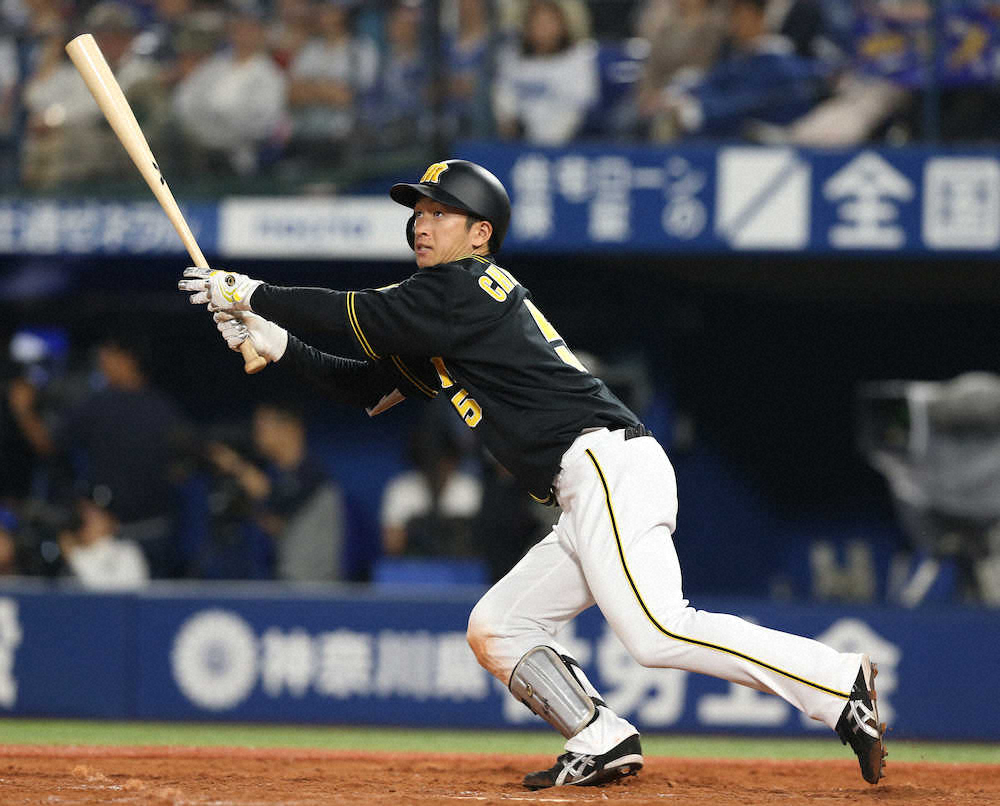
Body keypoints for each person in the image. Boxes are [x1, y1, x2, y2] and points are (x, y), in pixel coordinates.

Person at [178, 158, 887, 789]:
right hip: (586, 485)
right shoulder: (443, 311)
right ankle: (599, 737)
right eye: (418, 212)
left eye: (440, 213)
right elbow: (367, 388)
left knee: (657, 632)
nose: (422, 223)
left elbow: (354, 311)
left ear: (480, 234)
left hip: (604, 464)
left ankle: (837, 681)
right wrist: (275, 341)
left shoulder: (461, 288)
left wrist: (250, 292)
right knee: (499, 628)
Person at [208, 402, 346, 582]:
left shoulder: (311, 473)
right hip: (285, 582)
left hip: (314, 586)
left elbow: (277, 499)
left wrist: (236, 466)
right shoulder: (276, 474)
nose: (257, 435)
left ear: (290, 428)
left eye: (263, 427)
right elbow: (273, 522)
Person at [492, 0, 598, 145]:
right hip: (517, 142)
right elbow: (504, 99)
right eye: (537, 23)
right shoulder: (511, 59)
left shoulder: (579, 58)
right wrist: (510, 123)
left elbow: (579, 107)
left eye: (549, 22)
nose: (543, 29)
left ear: (563, 25)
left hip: (566, 143)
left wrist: (547, 143)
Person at [58, 486, 150, 591]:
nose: (88, 520)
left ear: (112, 521)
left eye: (96, 515)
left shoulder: (127, 552)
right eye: (84, 513)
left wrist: (74, 556)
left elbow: (108, 595)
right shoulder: (64, 554)